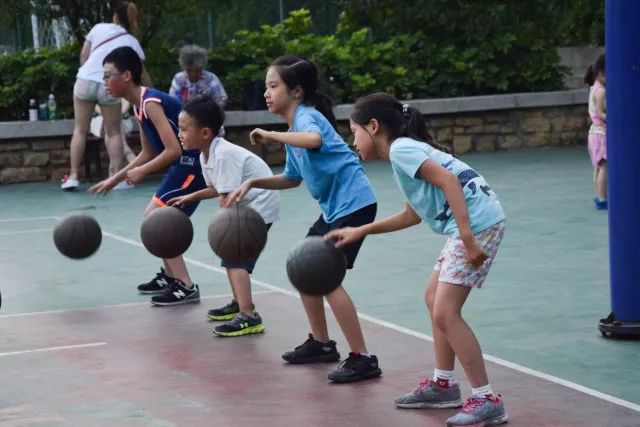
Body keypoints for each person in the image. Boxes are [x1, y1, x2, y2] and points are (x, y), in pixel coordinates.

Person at [326, 93, 508, 426]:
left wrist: (467, 238)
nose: (353, 141)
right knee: (432, 298)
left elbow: (449, 181)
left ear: (374, 126)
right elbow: (412, 214)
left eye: (354, 132)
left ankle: (487, 398)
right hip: (474, 222)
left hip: (477, 225)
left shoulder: (401, 149)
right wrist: (360, 230)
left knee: (446, 311)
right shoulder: (404, 154)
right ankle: (443, 385)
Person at [225, 55, 381, 383]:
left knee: (325, 276)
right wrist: (254, 181)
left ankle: (363, 358)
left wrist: (270, 135)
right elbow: (291, 179)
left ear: (296, 91)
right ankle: (322, 344)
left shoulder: (308, 119)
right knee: (305, 267)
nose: (267, 93)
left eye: (273, 86)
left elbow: (315, 141)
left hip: (354, 205)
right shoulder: (294, 128)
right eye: (266, 86)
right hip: (336, 210)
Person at [89, 46, 207, 307]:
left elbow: (174, 149)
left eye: (109, 75)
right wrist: (113, 179)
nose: (105, 82)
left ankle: (186, 286)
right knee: (156, 218)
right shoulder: (138, 106)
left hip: (193, 165)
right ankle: (169, 277)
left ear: (127, 76)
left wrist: (142, 171)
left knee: (158, 219)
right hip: (181, 166)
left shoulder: (151, 103)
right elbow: (147, 152)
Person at [167, 95, 279, 336]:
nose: (180, 134)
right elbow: (218, 188)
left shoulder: (224, 154)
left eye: (185, 129)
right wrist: (190, 197)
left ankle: (249, 316)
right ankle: (239, 303)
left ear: (205, 133)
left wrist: (221, 228)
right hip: (246, 205)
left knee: (235, 257)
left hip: (258, 206)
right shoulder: (205, 154)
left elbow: (226, 198)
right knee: (231, 255)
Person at [61, 1, 145, 191]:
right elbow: (139, 70)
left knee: (80, 130)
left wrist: (87, 72)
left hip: (85, 80)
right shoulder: (132, 42)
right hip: (110, 83)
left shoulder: (99, 28)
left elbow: (84, 56)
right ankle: (115, 177)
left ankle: (73, 176)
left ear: (115, 16)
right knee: (114, 131)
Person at [89, 99, 137, 190]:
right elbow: (94, 105)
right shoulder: (101, 89)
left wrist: (117, 113)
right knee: (117, 149)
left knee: (122, 148)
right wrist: (108, 113)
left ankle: (115, 177)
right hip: (105, 119)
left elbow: (126, 103)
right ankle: (115, 178)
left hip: (119, 118)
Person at [584, 54, 607, 210]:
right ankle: (602, 198)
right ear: (600, 73)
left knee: (598, 166)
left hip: (593, 132)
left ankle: (598, 195)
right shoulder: (601, 91)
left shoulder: (593, 88)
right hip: (601, 133)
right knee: (605, 166)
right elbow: (599, 113)